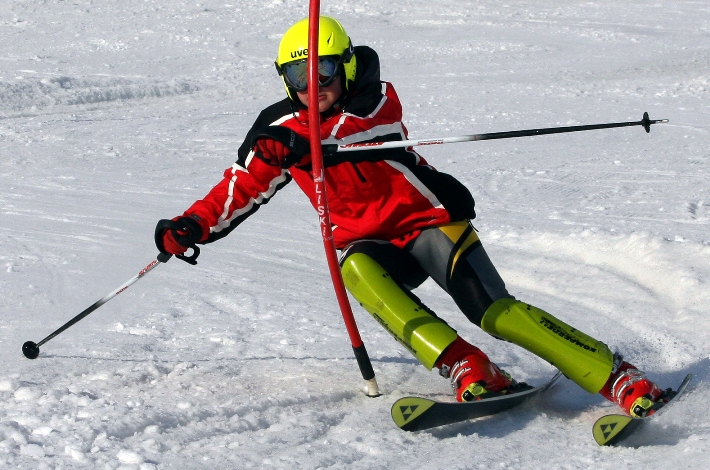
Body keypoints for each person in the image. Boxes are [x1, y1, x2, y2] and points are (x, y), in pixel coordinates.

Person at [155, 16, 672, 417]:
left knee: (496, 313)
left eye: (325, 72)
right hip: (370, 244)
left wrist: (309, 144)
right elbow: (240, 186)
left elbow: (359, 132)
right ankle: (465, 365)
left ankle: (618, 377)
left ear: (348, 67)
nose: (314, 87)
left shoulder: (375, 99)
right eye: (298, 76)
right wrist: (191, 226)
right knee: (352, 267)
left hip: (427, 224)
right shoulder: (280, 128)